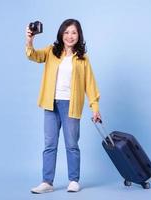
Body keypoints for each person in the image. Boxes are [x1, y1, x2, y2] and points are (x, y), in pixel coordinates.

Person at [25, 19, 101, 194]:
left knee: (72, 144)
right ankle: (47, 182)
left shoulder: (83, 59)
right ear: (61, 34)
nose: (70, 36)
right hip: (50, 103)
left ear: (79, 35)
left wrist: (95, 108)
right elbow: (33, 56)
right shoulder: (51, 51)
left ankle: (74, 180)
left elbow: (90, 85)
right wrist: (29, 40)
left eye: (73, 32)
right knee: (49, 144)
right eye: (66, 32)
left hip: (71, 104)